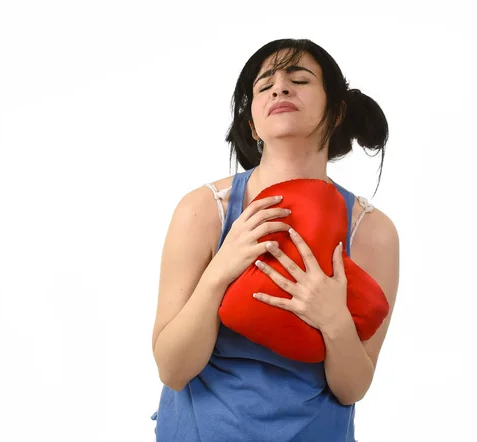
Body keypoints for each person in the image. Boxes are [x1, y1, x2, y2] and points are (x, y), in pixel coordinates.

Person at [150, 38, 400, 441]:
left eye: (298, 80)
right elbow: (173, 369)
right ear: (252, 122)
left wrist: (333, 319)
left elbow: (352, 388)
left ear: (336, 112)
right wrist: (220, 272)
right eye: (265, 86)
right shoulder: (204, 210)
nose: (280, 88)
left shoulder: (372, 231)